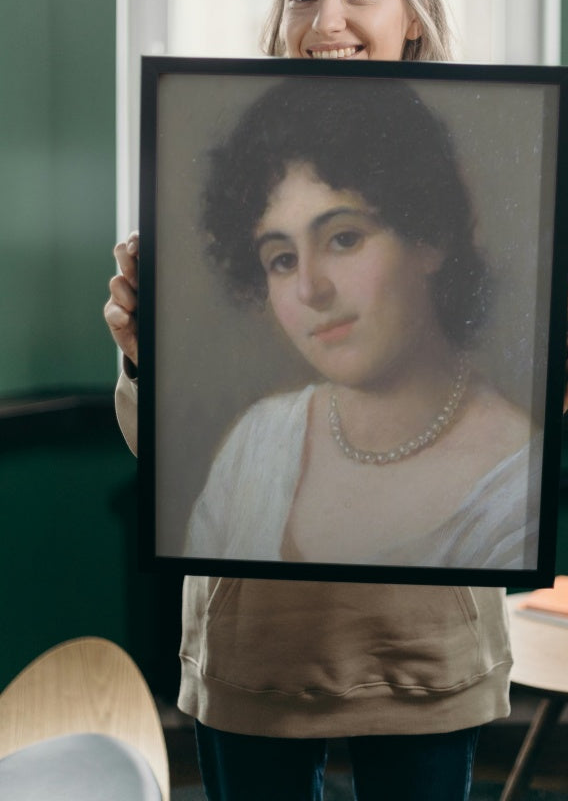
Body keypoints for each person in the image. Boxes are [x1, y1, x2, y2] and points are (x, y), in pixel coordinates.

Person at [105, 0, 568, 801]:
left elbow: (527, 440)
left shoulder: (498, 150)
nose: (324, 18)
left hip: (422, 659)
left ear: (413, 12)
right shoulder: (258, 439)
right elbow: (162, 460)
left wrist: (554, 375)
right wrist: (143, 354)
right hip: (254, 660)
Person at [186, 77, 540, 569]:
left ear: (429, 237)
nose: (311, 289)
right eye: (283, 260)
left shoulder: (515, 480)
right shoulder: (259, 443)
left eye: (344, 239)